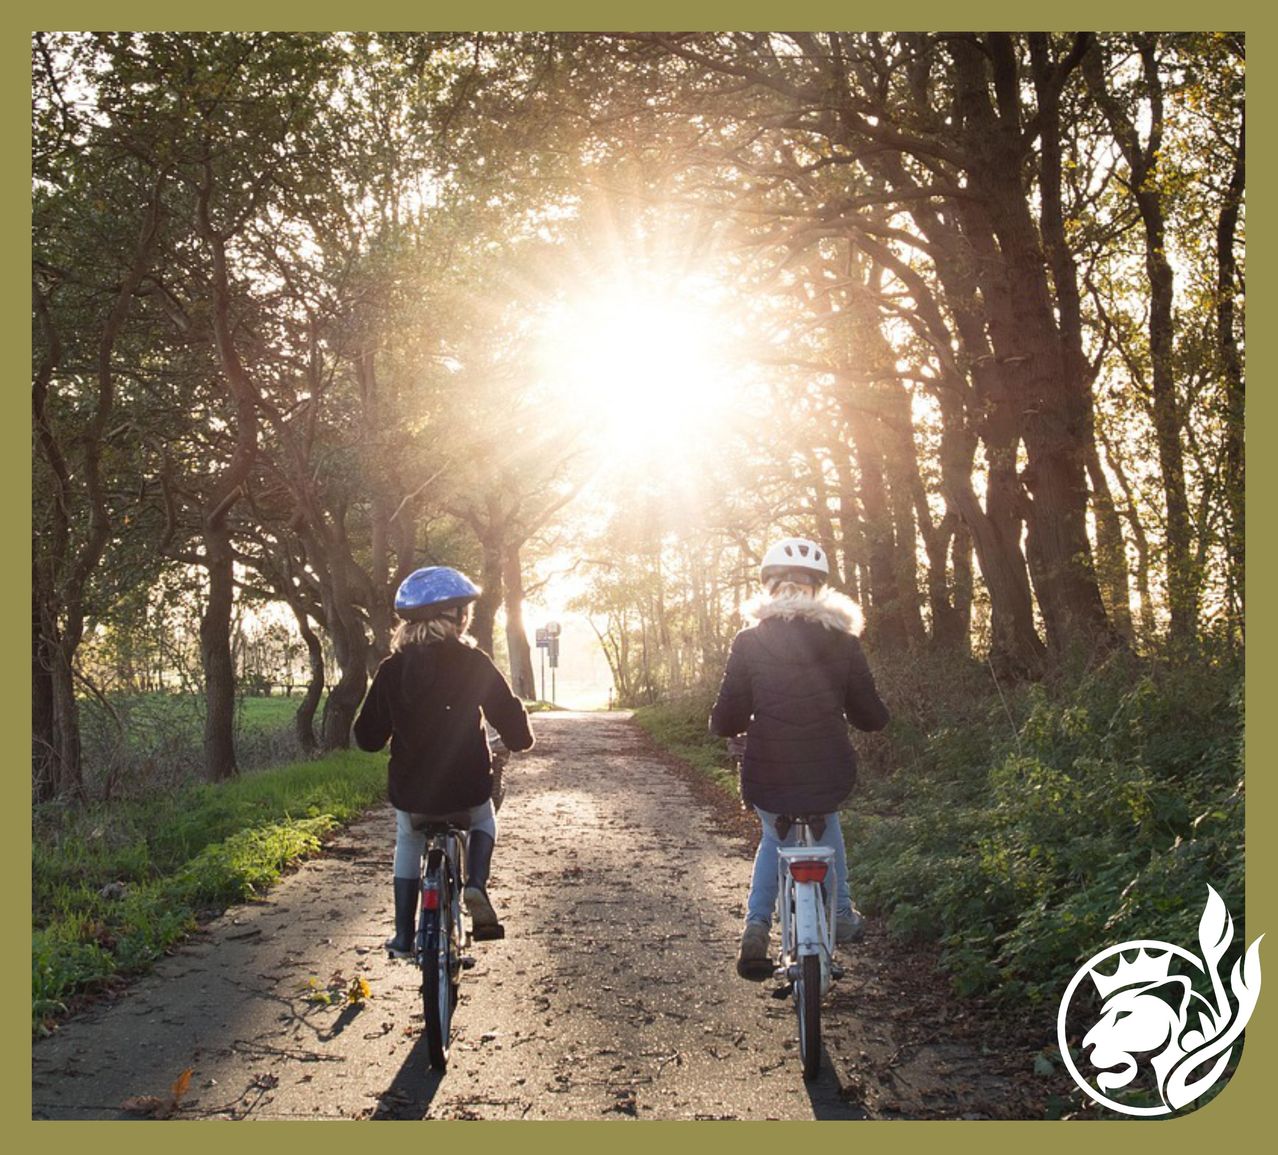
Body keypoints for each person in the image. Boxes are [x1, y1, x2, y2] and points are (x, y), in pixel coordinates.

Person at [709, 537, 889, 979]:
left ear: (770, 588)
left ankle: (756, 926)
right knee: (828, 821)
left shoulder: (749, 641)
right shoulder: (843, 641)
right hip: (829, 766)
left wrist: (726, 725)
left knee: (774, 836)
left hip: (766, 770)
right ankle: (841, 912)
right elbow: (870, 716)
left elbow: (727, 715)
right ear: (818, 590)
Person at [354, 566, 534, 956]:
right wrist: (518, 736)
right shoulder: (475, 663)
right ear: (456, 617)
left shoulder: (391, 670)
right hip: (467, 791)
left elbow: (366, 739)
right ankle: (476, 885)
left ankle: (403, 935)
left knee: (408, 837)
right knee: (485, 819)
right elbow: (516, 730)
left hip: (413, 795)